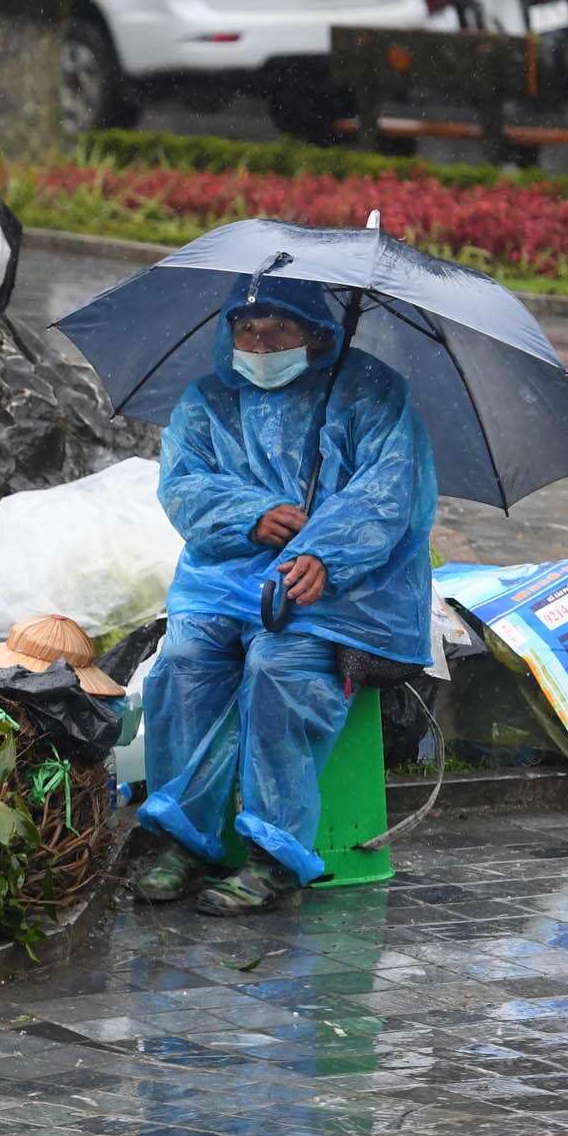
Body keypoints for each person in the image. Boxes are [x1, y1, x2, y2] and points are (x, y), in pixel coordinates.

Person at [133, 268, 437, 915]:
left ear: (318, 334)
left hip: (344, 589)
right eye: (249, 329)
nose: (263, 345)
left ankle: (274, 855)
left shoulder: (372, 395)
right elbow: (183, 486)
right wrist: (251, 513)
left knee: (280, 667)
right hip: (226, 580)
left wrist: (325, 551)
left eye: (279, 330)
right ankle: (184, 840)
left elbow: (388, 495)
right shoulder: (207, 402)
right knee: (183, 666)